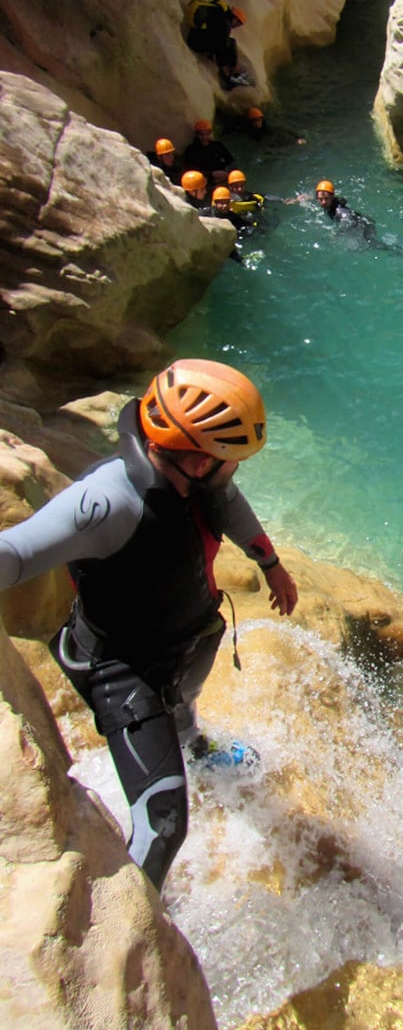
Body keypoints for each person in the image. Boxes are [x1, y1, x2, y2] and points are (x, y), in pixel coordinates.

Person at [0, 359, 299, 890]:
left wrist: (270, 564)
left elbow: (229, 505)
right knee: (164, 826)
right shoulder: (108, 501)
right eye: (228, 461)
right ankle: (143, 923)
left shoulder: (194, 479)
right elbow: (16, 554)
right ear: (194, 458)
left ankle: (194, 746)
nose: (234, 472)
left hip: (181, 643)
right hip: (123, 669)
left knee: (185, 702)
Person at [313, 180, 403, 256]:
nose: (323, 202)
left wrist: (337, 234)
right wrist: (306, 198)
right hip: (359, 220)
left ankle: (400, 252)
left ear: (332, 197)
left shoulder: (340, 212)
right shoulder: (328, 204)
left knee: (370, 244)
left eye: (326, 199)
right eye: (320, 199)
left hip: (361, 225)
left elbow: (348, 221)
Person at [185, 0, 253, 90]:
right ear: (235, 19)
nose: (236, 27)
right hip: (196, 42)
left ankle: (234, 71)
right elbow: (221, 47)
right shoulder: (225, 25)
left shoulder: (222, 10)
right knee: (230, 44)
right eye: (238, 24)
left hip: (195, 35)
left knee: (228, 42)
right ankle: (230, 75)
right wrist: (223, 65)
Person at [182, 119, 235, 187]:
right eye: (201, 134)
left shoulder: (218, 146)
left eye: (207, 134)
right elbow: (190, 172)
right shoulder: (191, 150)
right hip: (203, 181)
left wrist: (231, 173)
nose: (204, 137)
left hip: (222, 178)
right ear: (197, 134)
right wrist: (211, 174)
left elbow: (230, 161)